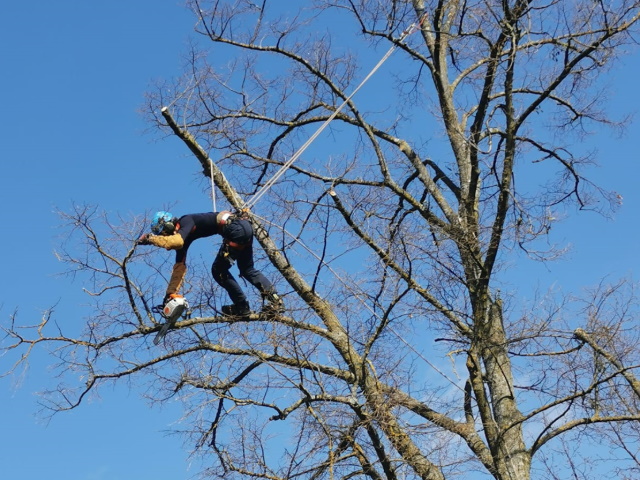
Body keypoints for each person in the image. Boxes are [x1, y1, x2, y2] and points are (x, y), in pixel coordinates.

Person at [138, 210, 283, 316]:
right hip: (243, 229)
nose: (165, 237)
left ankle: (242, 307)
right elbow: (179, 269)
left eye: (164, 233)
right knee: (247, 269)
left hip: (236, 229)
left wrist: (151, 239)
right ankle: (275, 301)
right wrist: (170, 294)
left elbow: (176, 241)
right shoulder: (183, 238)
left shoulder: (185, 220)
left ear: (169, 224)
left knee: (218, 270)